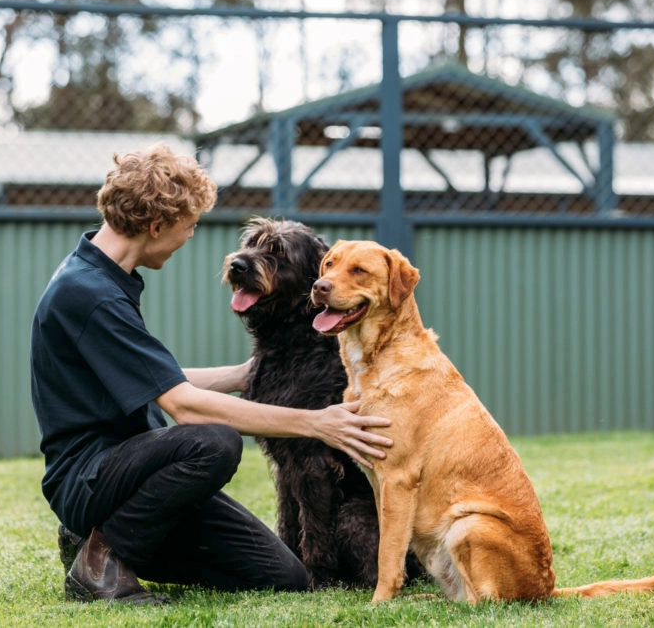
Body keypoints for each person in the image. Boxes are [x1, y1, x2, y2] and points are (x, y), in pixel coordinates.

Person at [30, 143, 393, 605]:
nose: (189, 237)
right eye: (190, 226)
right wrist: (316, 422)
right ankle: (101, 561)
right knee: (214, 440)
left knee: (285, 574)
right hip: (90, 477)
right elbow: (181, 403)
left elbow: (156, 375)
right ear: (157, 226)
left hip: (133, 479)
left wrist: (255, 372)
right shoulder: (90, 293)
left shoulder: (100, 277)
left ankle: (98, 538)